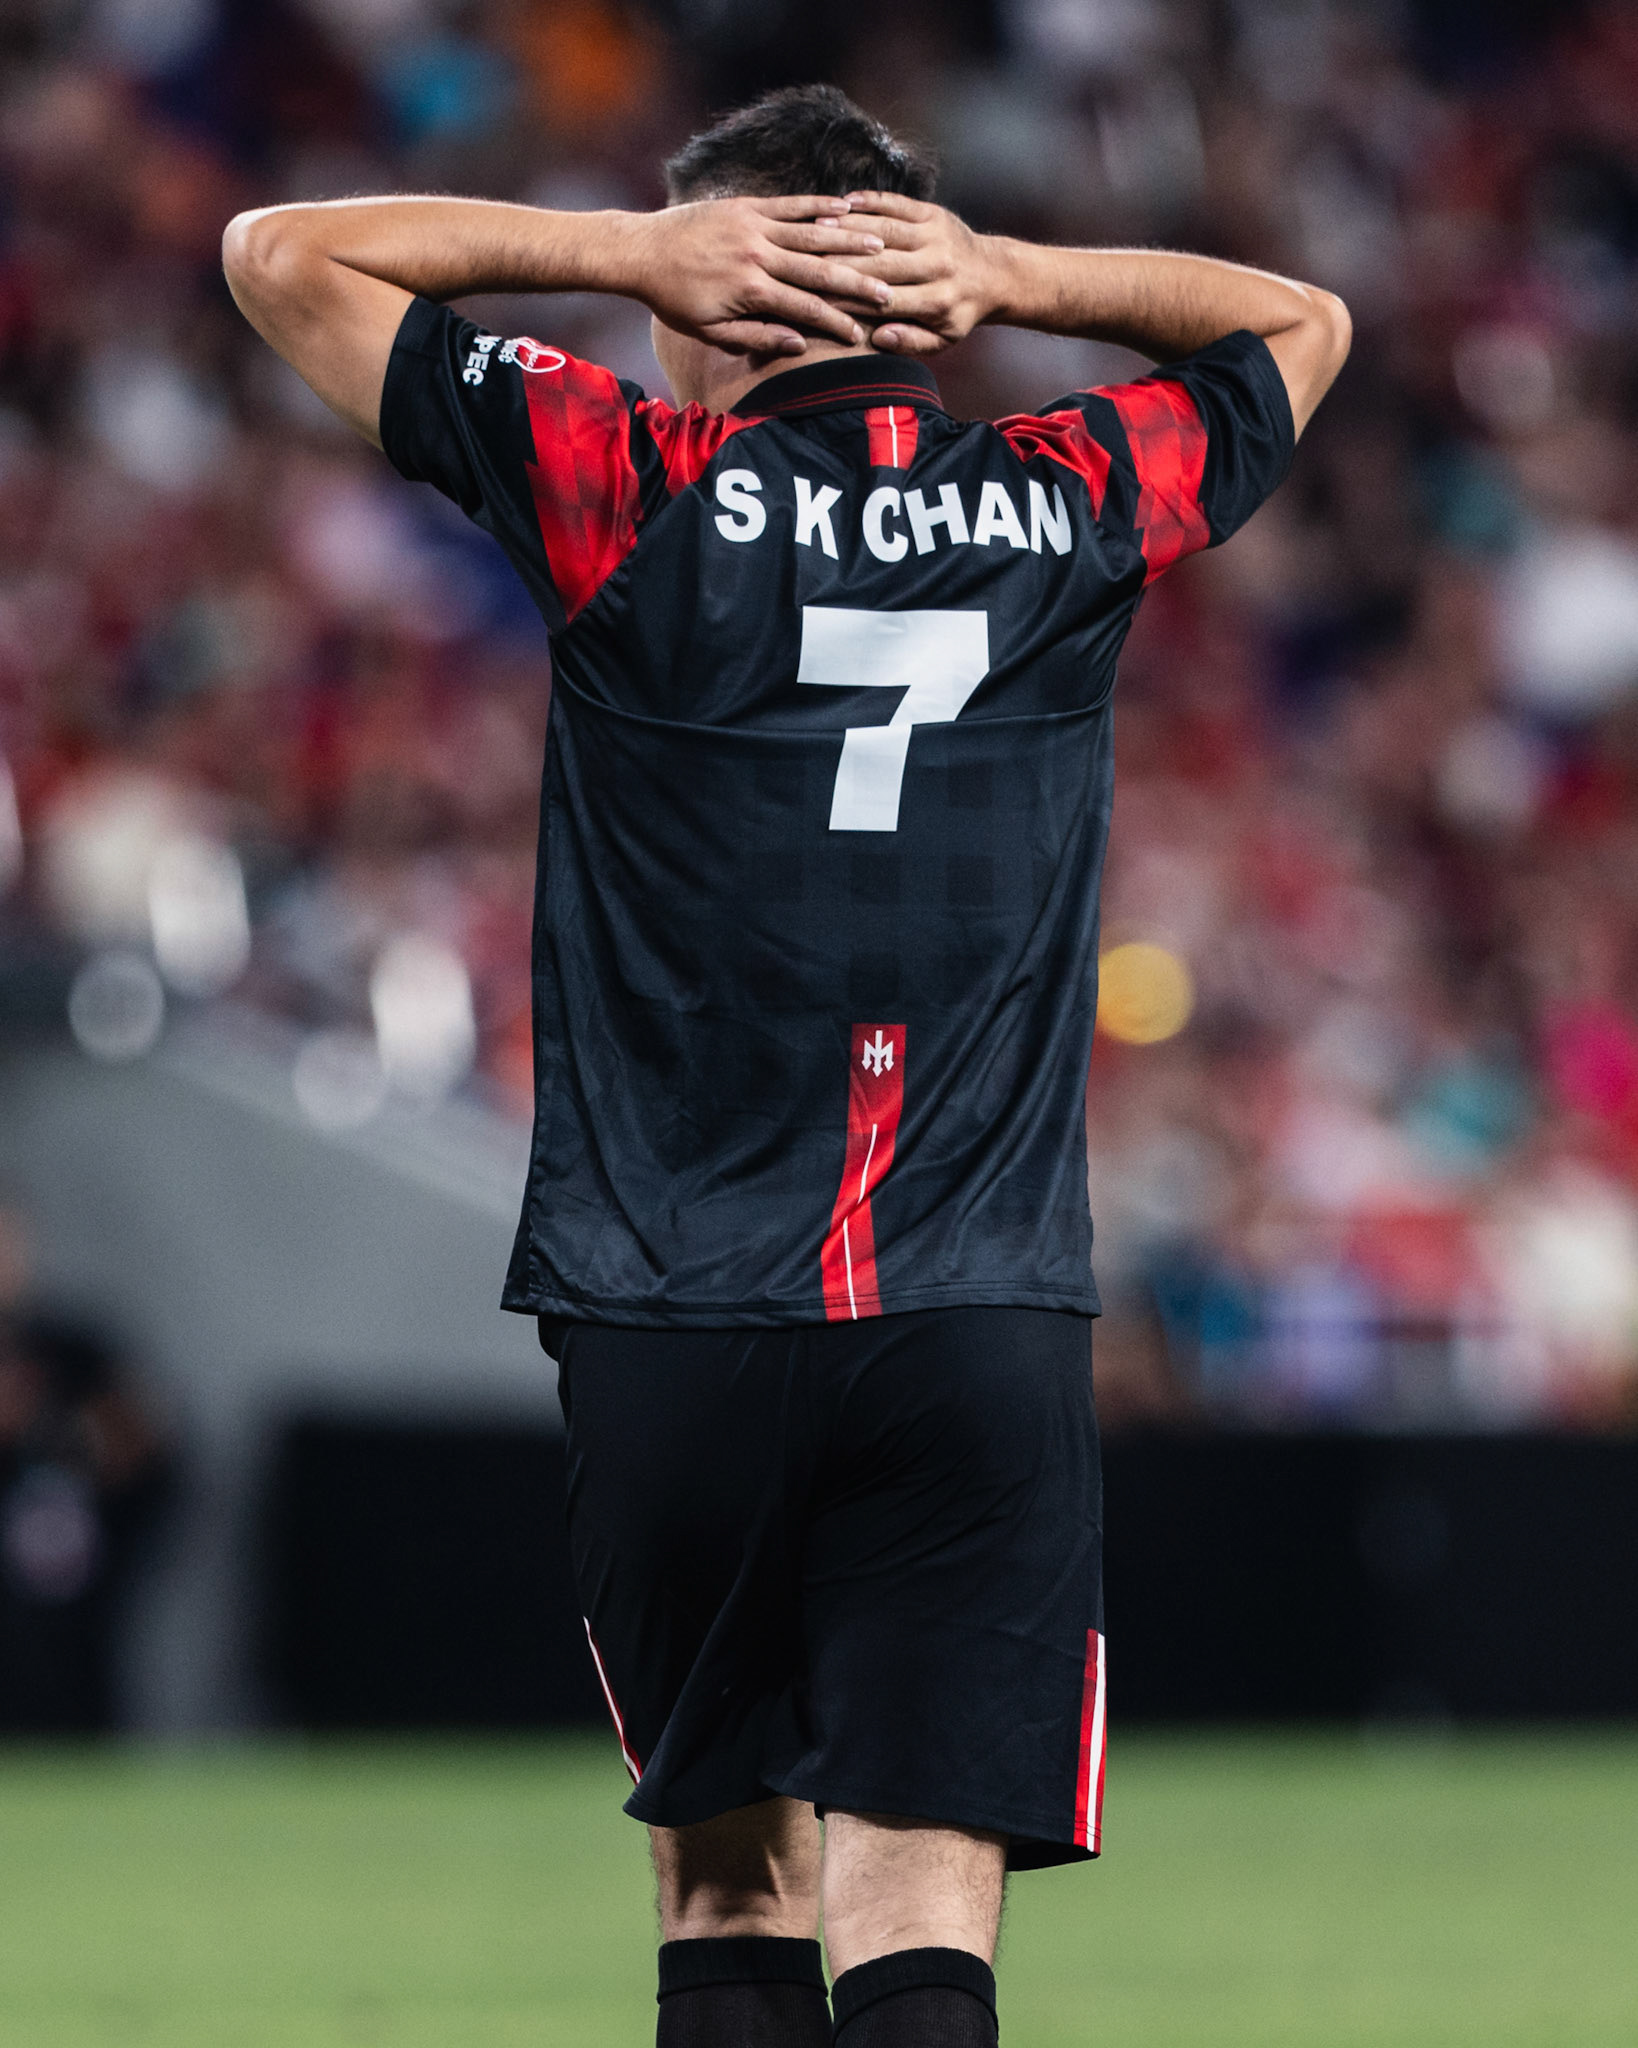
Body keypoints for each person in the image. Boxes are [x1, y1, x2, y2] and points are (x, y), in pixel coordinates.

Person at [223, 83, 1348, 2048]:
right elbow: (1305, 326)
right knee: (922, 1898)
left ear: (709, 298)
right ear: (913, 306)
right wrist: (1020, 274)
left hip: (670, 1300)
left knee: (728, 1881)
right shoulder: (1067, 495)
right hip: (973, 1305)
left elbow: (275, 255)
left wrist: (614, 251)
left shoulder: (625, 482)